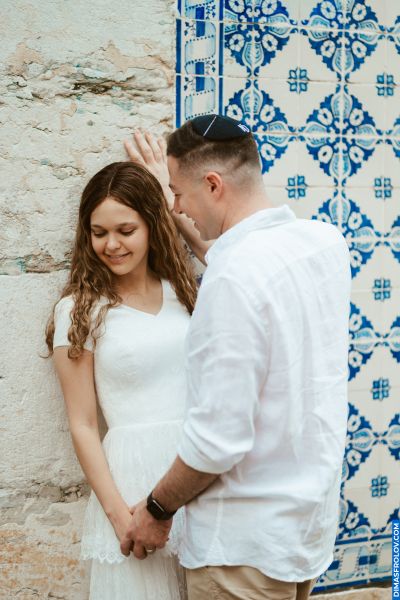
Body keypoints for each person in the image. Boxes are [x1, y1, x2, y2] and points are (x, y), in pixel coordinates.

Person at [120, 114, 352, 600]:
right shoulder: (323, 246)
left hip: (240, 553)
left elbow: (217, 442)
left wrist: (156, 510)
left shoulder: (233, 279)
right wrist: (170, 206)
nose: (177, 205)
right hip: (304, 532)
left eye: (180, 193)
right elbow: (239, 259)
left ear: (213, 184)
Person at [45, 158, 208, 599]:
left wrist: (170, 199)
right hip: (134, 486)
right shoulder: (79, 311)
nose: (112, 245)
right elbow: (82, 424)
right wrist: (120, 516)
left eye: (126, 230)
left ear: (153, 224)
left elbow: (234, 260)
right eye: (99, 233)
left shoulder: (185, 292)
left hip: (197, 474)